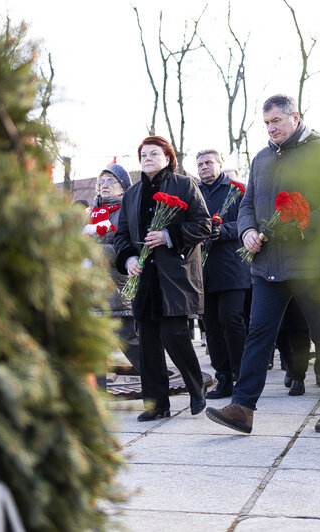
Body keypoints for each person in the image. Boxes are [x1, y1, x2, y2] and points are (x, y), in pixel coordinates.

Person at [206, 94, 320, 434]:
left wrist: (307, 224)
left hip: (311, 263)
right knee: (258, 334)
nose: (271, 129)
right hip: (268, 264)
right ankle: (243, 408)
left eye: (277, 122)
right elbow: (246, 206)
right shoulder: (260, 160)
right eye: (267, 124)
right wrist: (247, 232)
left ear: (295, 117)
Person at [114, 136, 212, 421]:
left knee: (173, 335)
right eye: (143, 154)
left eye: (154, 153)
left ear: (168, 158)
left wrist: (170, 236)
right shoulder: (132, 194)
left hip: (174, 275)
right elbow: (122, 237)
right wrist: (129, 259)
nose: (147, 158)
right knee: (147, 343)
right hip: (145, 279)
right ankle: (156, 404)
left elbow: (203, 225)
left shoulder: (184, 185)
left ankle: (196, 389)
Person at [196, 149, 251, 399]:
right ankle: (223, 377)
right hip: (203, 270)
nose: (204, 167)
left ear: (220, 164)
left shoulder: (237, 190)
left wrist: (225, 230)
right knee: (211, 326)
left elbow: (250, 220)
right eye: (200, 164)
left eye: (209, 162)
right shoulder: (194, 192)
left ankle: (242, 374)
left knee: (232, 319)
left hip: (231, 266)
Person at [83, 164, 141, 374]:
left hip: (117, 288)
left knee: (129, 341)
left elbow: (128, 250)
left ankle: (155, 379)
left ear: (123, 187)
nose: (104, 185)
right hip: (91, 291)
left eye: (111, 181)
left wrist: (94, 251)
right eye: (101, 181)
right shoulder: (90, 213)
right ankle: (97, 392)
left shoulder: (127, 212)